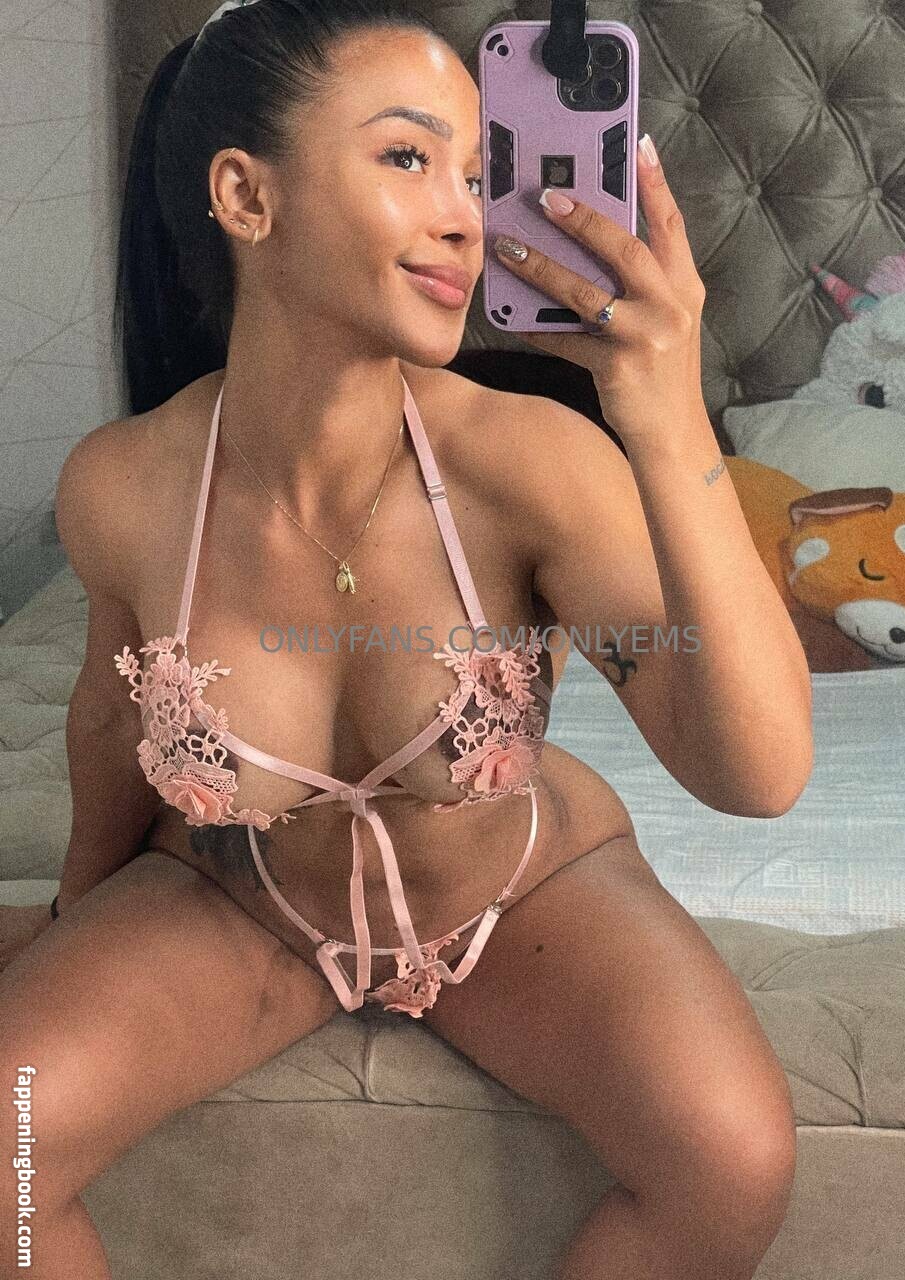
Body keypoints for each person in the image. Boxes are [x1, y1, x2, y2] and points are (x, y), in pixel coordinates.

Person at [0, 1, 814, 1276]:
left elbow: (758, 776)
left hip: (519, 894)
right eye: (408, 157)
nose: (467, 217)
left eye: (478, 177)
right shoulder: (126, 484)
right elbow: (109, 716)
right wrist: (74, 916)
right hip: (249, 901)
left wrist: (665, 419)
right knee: (7, 1146)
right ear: (246, 195)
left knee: (733, 1156)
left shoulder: (530, 465)